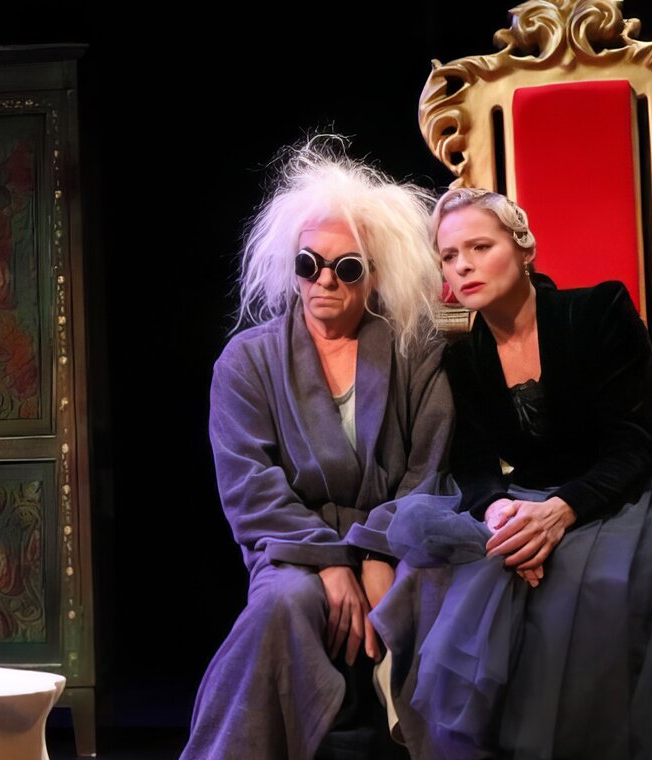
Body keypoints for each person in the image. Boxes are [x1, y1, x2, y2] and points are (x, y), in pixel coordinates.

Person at [363, 187, 652, 759]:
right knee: (461, 578)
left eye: (479, 247)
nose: (462, 265)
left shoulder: (598, 311)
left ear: (524, 249)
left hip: (629, 492)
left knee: (589, 588)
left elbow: (637, 442)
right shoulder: (462, 356)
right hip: (529, 498)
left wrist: (560, 512)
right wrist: (498, 510)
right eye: (448, 255)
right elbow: (472, 462)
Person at [182, 139, 452, 760]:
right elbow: (250, 487)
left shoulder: (415, 354)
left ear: (375, 274)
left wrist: (378, 550)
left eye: (346, 267)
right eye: (309, 264)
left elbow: (429, 469)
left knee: (438, 600)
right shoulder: (247, 362)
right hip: (294, 552)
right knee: (281, 606)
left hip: (402, 542)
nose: (325, 280)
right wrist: (330, 561)